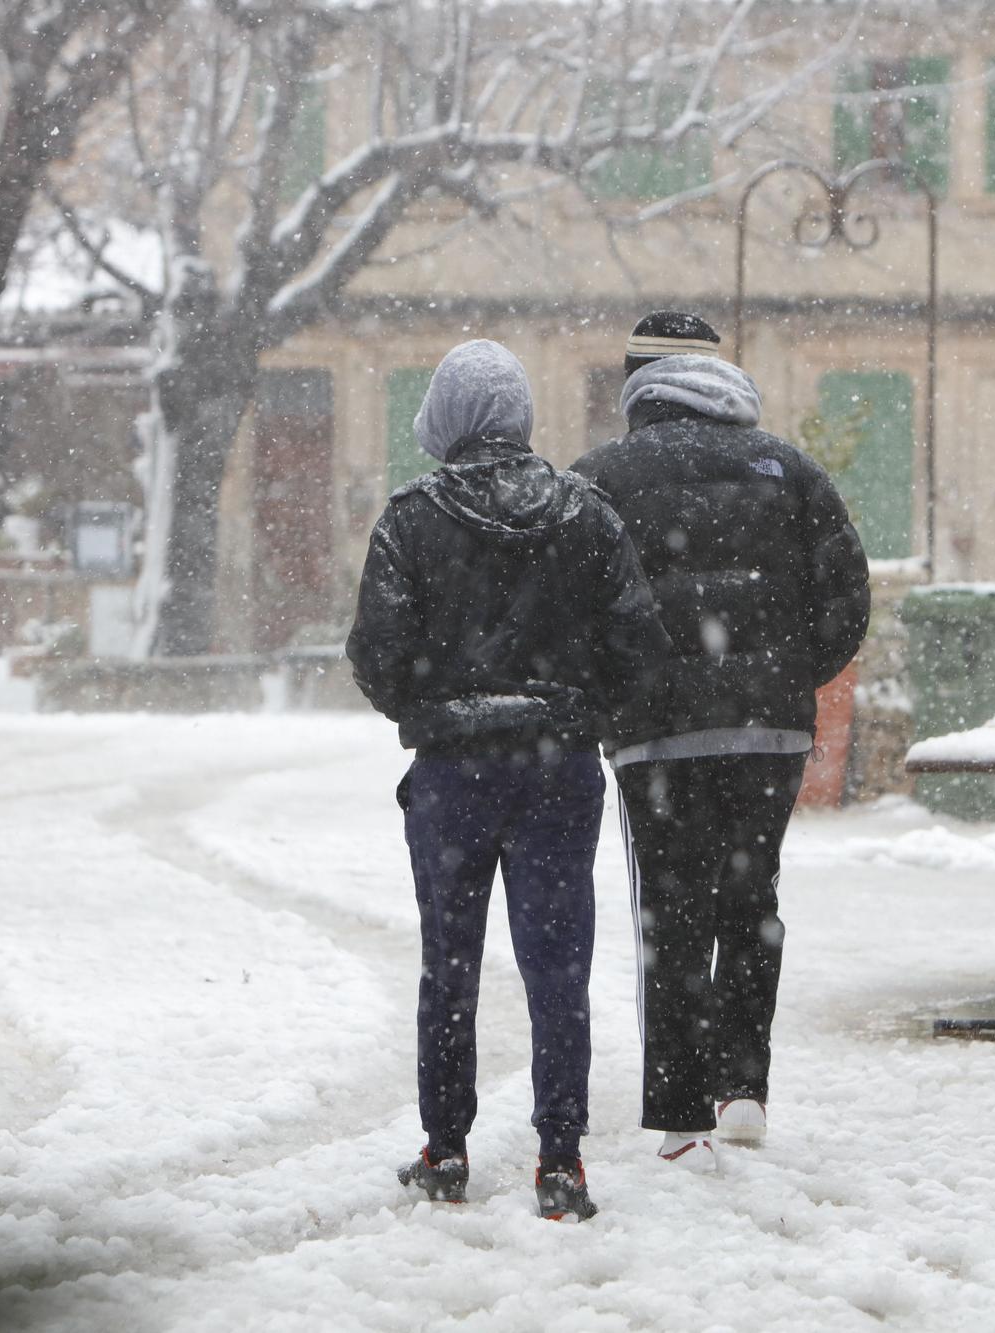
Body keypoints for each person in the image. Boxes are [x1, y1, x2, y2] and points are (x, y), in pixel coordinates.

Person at [346, 339, 669, 1221]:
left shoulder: (410, 520)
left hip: (452, 774)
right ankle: (561, 1158)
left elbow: (375, 655)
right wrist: (575, 708)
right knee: (557, 967)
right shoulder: (586, 515)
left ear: (447, 419)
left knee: (448, 965)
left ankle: (444, 1149)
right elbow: (640, 650)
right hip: (558, 771)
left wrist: (438, 706)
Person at [572, 312, 871, 1172]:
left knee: (672, 910)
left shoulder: (599, 478)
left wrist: (618, 695)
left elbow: (574, 609)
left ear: (638, 384)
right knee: (751, 900)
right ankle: (745, 1089)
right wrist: (784, 676)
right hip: (767, 731)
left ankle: (680, 1116)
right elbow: (846, 594)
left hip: (655, 738)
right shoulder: (791, 468)